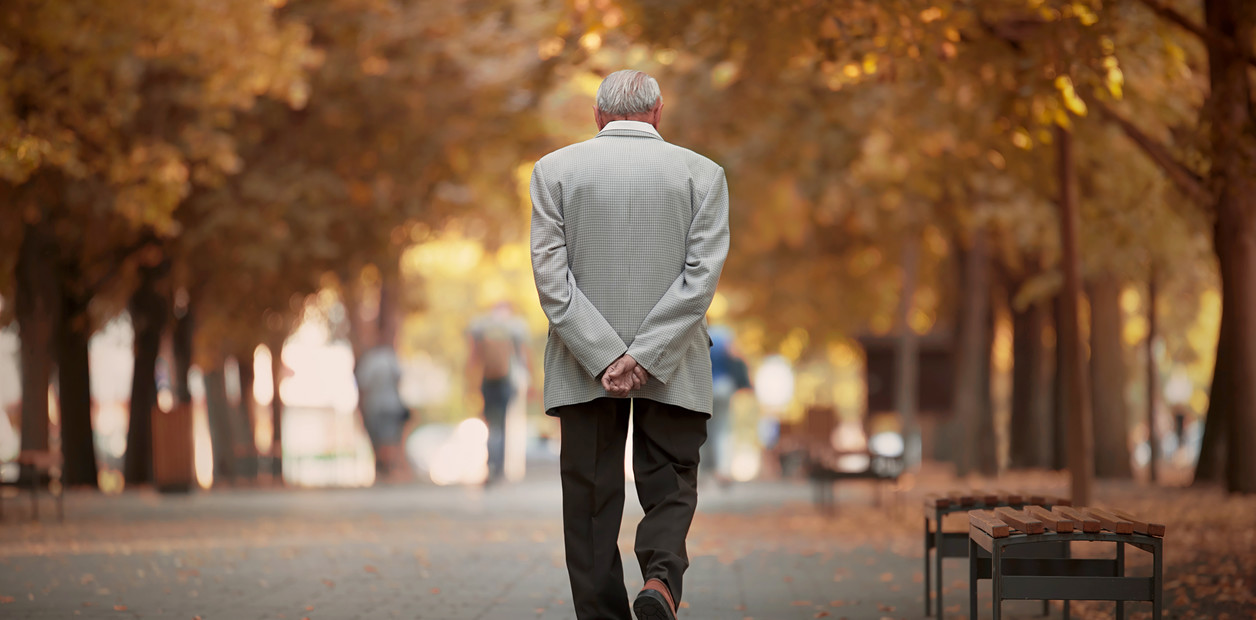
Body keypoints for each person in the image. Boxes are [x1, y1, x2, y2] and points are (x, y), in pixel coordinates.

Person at [530, 69, 729, 620]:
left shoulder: (553, 172)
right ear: (658, 113)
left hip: (580, 364)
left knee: (590, 501)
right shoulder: (703, 175)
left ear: (597, 116)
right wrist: (645, 356)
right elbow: (700, 280)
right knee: (670, 481)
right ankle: (662, 581)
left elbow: (552, 280)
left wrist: (604, 355)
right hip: (675, 361)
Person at [467, 302, 529, 486]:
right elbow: (524, 357)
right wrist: (531, 383)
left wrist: (471, 384)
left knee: (491, 425)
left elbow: (473, 357)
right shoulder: (514, 327)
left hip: (488, 380)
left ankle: (491, 466)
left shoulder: (482, 327)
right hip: (507, 381)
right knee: (501, 426)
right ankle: (498, 469)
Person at [354, 344, 410, 481]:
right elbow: (399, 382)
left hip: (377, 407)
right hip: (387, 406)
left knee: (383, 440)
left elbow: (363, 387)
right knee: (387, 440)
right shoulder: (389, 358)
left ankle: (386, 470)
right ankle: (387, 469)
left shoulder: (370, 359)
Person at [704, 327, 751, 487]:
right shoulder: (725, 335)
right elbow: (735, 357)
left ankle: (702, 472)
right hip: (724, 387)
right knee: (723, 430)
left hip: (705, 387)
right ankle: (723, 471)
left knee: (705, 431)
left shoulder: (701, 332)